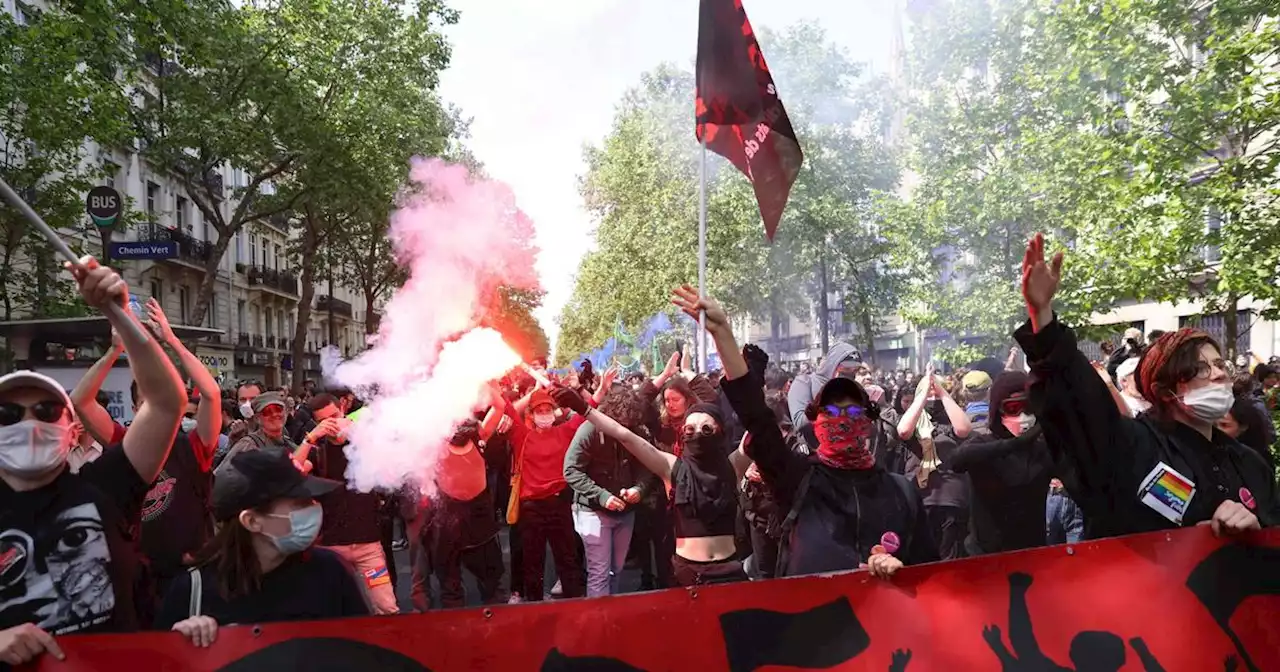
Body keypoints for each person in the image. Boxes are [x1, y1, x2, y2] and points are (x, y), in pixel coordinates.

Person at [1015, 233, 1275, 538]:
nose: (1218, 375)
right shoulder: (1132, 447)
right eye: (1200, 369)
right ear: (1164, 390)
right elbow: (1079, 405)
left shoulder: (1250, 464)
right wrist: (1042, 318)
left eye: (1219, 365)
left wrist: (1256, 530)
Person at [671, 285, 936, 581]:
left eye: (852, 412)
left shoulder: (901, 493)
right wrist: (723, 335)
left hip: (881, 623)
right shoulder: (799, 479)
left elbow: (931, 575)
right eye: (831, 412)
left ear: (867, 423)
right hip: (811, 622)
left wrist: (900, 570)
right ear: (816, 421)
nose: (842, 419)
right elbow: (757, 418)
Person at [0, 257, 185, 666]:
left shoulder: (105, 489)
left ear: (72, 428)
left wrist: (118, 314)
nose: (29, 424)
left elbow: (166, 403)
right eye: (8, 415)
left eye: (47, 411)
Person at [73, 298, 223, 610]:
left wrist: (171, 341)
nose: (158, 413)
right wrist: (115, 349)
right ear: (135, 409)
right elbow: (81, 401)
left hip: (188, 571)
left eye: (163, 404)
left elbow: (211, 393)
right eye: (147, 405)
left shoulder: (193, 445)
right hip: (138, 574)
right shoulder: (125, 444)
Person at [156, 448, 369, 646]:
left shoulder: (330, 572)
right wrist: (181, 643)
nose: (314, 509)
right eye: (299, 504)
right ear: (251, 521)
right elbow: (162, 661)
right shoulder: (194, 590)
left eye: (312, 500)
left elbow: (367, 651)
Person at [569, 387, 748, 587]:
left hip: (729, 570)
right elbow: (624, 435)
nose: (698, 433)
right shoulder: (673, 468)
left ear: (720, 431)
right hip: (688, 573)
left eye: (706, 429)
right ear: (683, 433)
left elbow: (759, 429)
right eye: (690, 429)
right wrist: (584, 409)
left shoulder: (733, 465)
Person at [298, 394, 399, 615]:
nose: (334, 424)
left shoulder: (364, 443)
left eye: (335, 416)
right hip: (330, 549)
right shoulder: (317, 450)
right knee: (330, 611)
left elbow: (392, 472)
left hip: (368, 547)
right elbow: (292, 471)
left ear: (343, 410)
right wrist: (309, 439)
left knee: (386, 607)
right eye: (326, 421)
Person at [563, 387, 660, 596]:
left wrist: (638, 490)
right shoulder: (589, 430)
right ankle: (598, 622)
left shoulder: (638, 431)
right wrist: (602, 496)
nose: (624, 429)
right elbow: (571, 470)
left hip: (625, 512)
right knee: (600, 572)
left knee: (615, 570)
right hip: (592, 510)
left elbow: (646, 468)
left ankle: (610, 616)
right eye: (621, 425)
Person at [948, 372, 1057, 555]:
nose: (1023, 416)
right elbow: (957, 460)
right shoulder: (983, 445)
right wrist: (1015, 444)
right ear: (999, 410)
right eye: (1013, 408)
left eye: (1029, 407)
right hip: (986, 556)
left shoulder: (1043, 450)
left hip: (1032, 553)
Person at [503, 388, 587, 601]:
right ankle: (534, 607)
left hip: (559, 503)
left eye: (548, 409)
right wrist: (519, 392)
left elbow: (587, 412)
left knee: (568, 559)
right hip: (531, 508)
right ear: (531, 414)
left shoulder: (564, 431)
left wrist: (601, 389)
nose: (544, 413)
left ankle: (576, 604)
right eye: (539, 410)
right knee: (532, 561)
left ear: (555, 412)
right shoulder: (522, 435)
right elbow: (507, 408)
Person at [895, 369, 973, 560]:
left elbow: (963, 429)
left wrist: (942, 391)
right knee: (922, 559)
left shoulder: (951, 420)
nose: (931, 398)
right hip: (920, 499)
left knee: (950, 562)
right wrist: (922, 394)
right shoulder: (913, 422)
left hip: (951, 500)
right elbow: (903, 430)